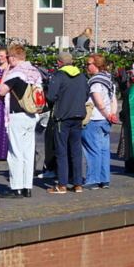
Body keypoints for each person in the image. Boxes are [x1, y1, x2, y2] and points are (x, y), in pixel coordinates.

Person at [0, 45, 43, 199]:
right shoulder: (34, 71)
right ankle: (27, 187)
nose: (8, 60)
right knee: (28, 152)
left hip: (17, 115)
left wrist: (5, 73)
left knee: (15, 153)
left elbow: (1, 91)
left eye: (9, 57)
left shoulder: (16, 73)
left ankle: (16, 188)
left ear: (14, 57)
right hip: (31, 114)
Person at [46, 52, 88, 194]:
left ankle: (62, 185)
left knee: (61, 151)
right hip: (78, 116)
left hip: (62, 117)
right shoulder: (82, 76)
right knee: (76, 151)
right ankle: (78, 184)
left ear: (59, 63)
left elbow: (51, 96)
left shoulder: (58, 76)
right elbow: (86, 94)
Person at [83, 54, 117, 190]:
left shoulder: (95, 82)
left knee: (92, 150)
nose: (87, 66)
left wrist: (106, 114)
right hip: (105, 121)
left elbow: (98, 102)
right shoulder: (108, 79)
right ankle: (104, 179)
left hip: (95, 118)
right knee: (103, 150)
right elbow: (113, 99)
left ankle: (93, 180)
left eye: (89, 64)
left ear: (96, 65)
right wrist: (112, 114)